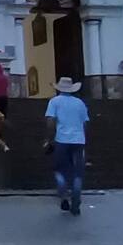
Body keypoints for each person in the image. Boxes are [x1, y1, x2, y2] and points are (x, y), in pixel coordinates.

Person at [44, 76, 89, 216]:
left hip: (62, 140)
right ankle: (76, 199)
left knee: (59, 170)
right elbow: (85, 123)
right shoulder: (80, 103)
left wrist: (49, 138)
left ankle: (63, 195)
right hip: (79, 141)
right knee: (78, 172)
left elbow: (51, 121)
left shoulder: (54, 101)